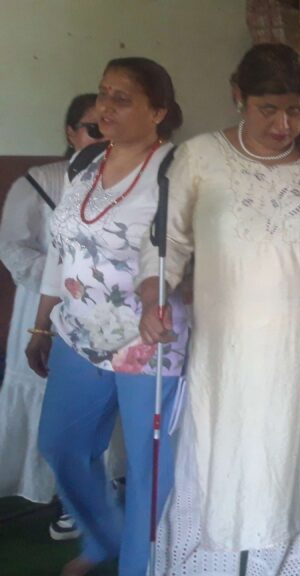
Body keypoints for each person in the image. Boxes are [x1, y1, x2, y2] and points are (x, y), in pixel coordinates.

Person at [137, 44, 300, 575]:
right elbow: (167, 243)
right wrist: (151, 295)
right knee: (222, 460)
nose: (283, 123)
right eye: (268, 108)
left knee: (291, 465)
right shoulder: (199, 157)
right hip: (228, 353)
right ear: (238, 97)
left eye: (295, 109)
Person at [28, 58, 186, 576]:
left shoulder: (175, 172)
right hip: (78, 337)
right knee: (60, 442)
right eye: (103, 94)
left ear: (157, 111)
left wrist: (153, 301)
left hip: (148, 344)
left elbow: (185, 253)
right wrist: (42, 322)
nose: (106, 107)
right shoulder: (85, 163)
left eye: (123, 98)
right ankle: (103, 536)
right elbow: (60, 250)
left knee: (148, 471)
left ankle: (138, 567)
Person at [0, 94, 104, 541]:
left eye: (109, 127)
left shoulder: (121, 181)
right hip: (48, 307)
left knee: (99, 403)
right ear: (70, 132)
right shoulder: (40, 181)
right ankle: (63, 496)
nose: (103, 138)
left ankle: (100, 489)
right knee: (52, 403)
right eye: (92, 129)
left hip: (103, 311)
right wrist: (61, 276)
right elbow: (13, 246)